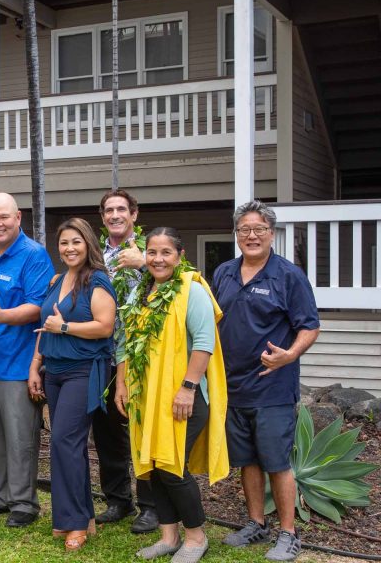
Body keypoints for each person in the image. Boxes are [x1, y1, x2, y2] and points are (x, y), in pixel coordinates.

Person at [113, 227, 229, 563]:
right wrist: (121, 384)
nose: (158, 259)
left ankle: (195, 537)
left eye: (166, 252)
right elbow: (124, 342)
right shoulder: (140, 294)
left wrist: (188, 388)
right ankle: (168, 536)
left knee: (173, 466)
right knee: (152, 465)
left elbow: (204, 343)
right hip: (146, 399)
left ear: (179, 256)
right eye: (152, 252)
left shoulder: (191, 290)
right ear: (144, 256)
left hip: (182, 396)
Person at [213, 201, 320, 562]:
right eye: (244, 229)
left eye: (259, 229)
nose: (251, 235)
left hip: (272, 387)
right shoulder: (224, 273)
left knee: (276, 462)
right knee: (247, 461)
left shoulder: (289, 276)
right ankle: (256, 524)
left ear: (271, 234)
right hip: (233, 385)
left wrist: (290, 354)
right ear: (236, 234)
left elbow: (309, 325)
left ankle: (289, 534)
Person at [29, 218, 115, 551]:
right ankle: (85, 518)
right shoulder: (56, 280)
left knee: (64, 441)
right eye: (64, 243)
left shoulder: (98, 281)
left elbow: (105, 327)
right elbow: (44, 327)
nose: (69, 248)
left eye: (76, 242)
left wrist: (65, 327)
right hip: (55, 369)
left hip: (84, 370)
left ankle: (73, 521)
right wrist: (36, 366)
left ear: (88, 244)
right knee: (69, 445)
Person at [0, 193, 54, 528]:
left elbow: (38, 307)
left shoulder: (33, 255)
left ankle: (24, 502)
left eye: (4, 217)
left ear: (18, 217)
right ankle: (1, 495)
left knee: (21, 438)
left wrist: (0, 315)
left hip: (18, 364)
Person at [97, 189, 158, 533]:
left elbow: (181, 276)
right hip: (102, 352)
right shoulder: (98, 254)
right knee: (106, 431)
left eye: (122, 209)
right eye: (109, 210)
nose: (115, 214)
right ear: (103, 217)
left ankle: (149, 505)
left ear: (134, 214)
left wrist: (145, 262)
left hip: (140, 355)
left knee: (141, 430)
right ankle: (118, 499)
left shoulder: (151, 249)